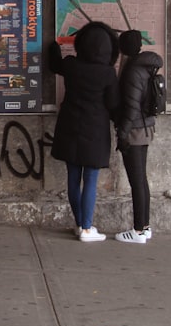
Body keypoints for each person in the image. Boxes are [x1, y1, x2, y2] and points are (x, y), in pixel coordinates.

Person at [47, 21, 119, 242]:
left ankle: (79, 224)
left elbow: (55, 63)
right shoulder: (108, 73)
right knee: (90, 179)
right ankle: (87, 229)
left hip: (70, 127)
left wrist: (52, 44)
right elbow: (113, 104)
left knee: (73, 177)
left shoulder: (71, 65)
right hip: (95, 131)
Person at [112, 30, 162, 244]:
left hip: (135, 131)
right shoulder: (146, 67)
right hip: (145, 128)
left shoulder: (132, 70)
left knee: (136, 181)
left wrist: (121, 134)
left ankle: (138, 230)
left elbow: (131, 107)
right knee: (141, 179)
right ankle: (145, 226)